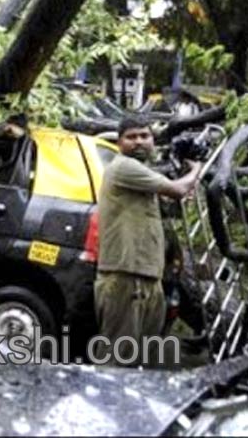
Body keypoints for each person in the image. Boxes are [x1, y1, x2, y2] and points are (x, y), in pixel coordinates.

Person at [94, 115, 202, 366]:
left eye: (145, 136)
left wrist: (184, 179)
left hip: (147, 278)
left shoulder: (142, 176)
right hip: (125, 278)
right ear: (119, 143)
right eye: (131, 137)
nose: (139, 142)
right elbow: (177, 190)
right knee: (116, 363)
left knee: (144, 361)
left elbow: (173, 199)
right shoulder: (123, 167)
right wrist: (196, 168)